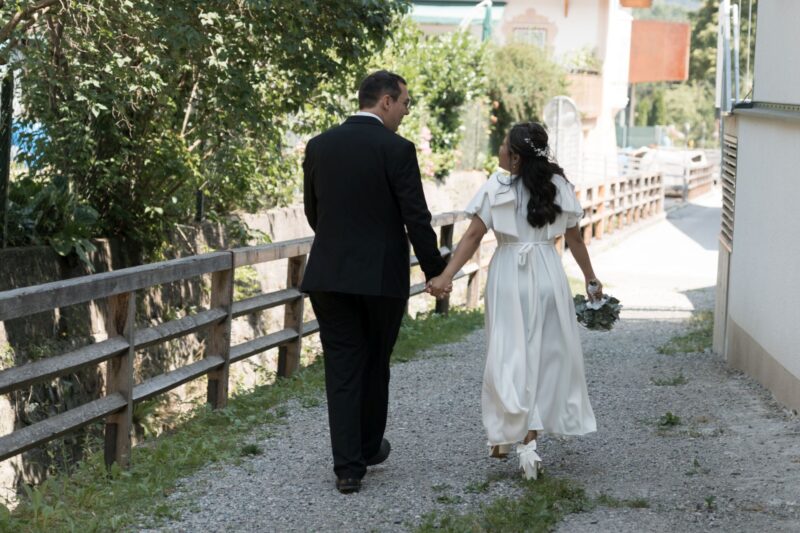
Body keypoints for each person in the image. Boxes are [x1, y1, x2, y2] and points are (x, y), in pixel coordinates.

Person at [301, 70, 450, 494]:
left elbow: (313, 211)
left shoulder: (319, 145)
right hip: (381, 277)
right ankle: (367, 446)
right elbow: (415, 217)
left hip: (329, 274)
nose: (406, 112)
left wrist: (338, 245)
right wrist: (434, 270)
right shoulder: (397, 149)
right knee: (374, 362)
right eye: (405, 103)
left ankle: (348, 469)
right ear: (386, 101)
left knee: (342, 367)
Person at [426, 122, 599, 478]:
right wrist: (590, 278)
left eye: (505, 145)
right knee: (544, 356)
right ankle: (525, 439)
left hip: (509, 275)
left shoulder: (497, 187)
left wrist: (446, 276)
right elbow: (575, 240)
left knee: (507, 355)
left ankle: (510, 432)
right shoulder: (559, 186)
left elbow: (473, 237)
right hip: (548, 272)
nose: (500, 150)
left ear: (516, 157)